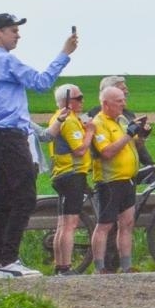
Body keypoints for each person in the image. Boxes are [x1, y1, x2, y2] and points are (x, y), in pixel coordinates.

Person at [0, 12, 76, 279]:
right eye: (12, 30)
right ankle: (8, 259)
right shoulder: (6, 61)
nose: (17, 34)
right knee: (24, 196)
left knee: (4, 198)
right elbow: (41, 83)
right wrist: (64, 53)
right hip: (11, 133)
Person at [89, 85, 140, 272]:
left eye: (123, 100)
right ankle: (99, 266)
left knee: (127, 223)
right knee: (105, 225)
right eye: (119, 101)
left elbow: (131, 145)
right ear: (106, 103)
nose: (123, 104)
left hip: (128, 179)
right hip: (109, 181)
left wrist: (140, 135)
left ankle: (126, 266)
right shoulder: (99, 123)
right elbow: (107, 152)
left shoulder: (120, 120)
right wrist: (129, 134)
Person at [45, 84, 92, 274]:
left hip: (63, 174)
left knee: (62, 224)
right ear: (67, 102)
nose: (82, 101)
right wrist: (90, 132)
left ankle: (60, 266)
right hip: (72, 173)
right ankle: (64, 267)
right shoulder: (69, 121)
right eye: (78, 98)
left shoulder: (59, 117)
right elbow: (80, 150)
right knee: (70, 224)